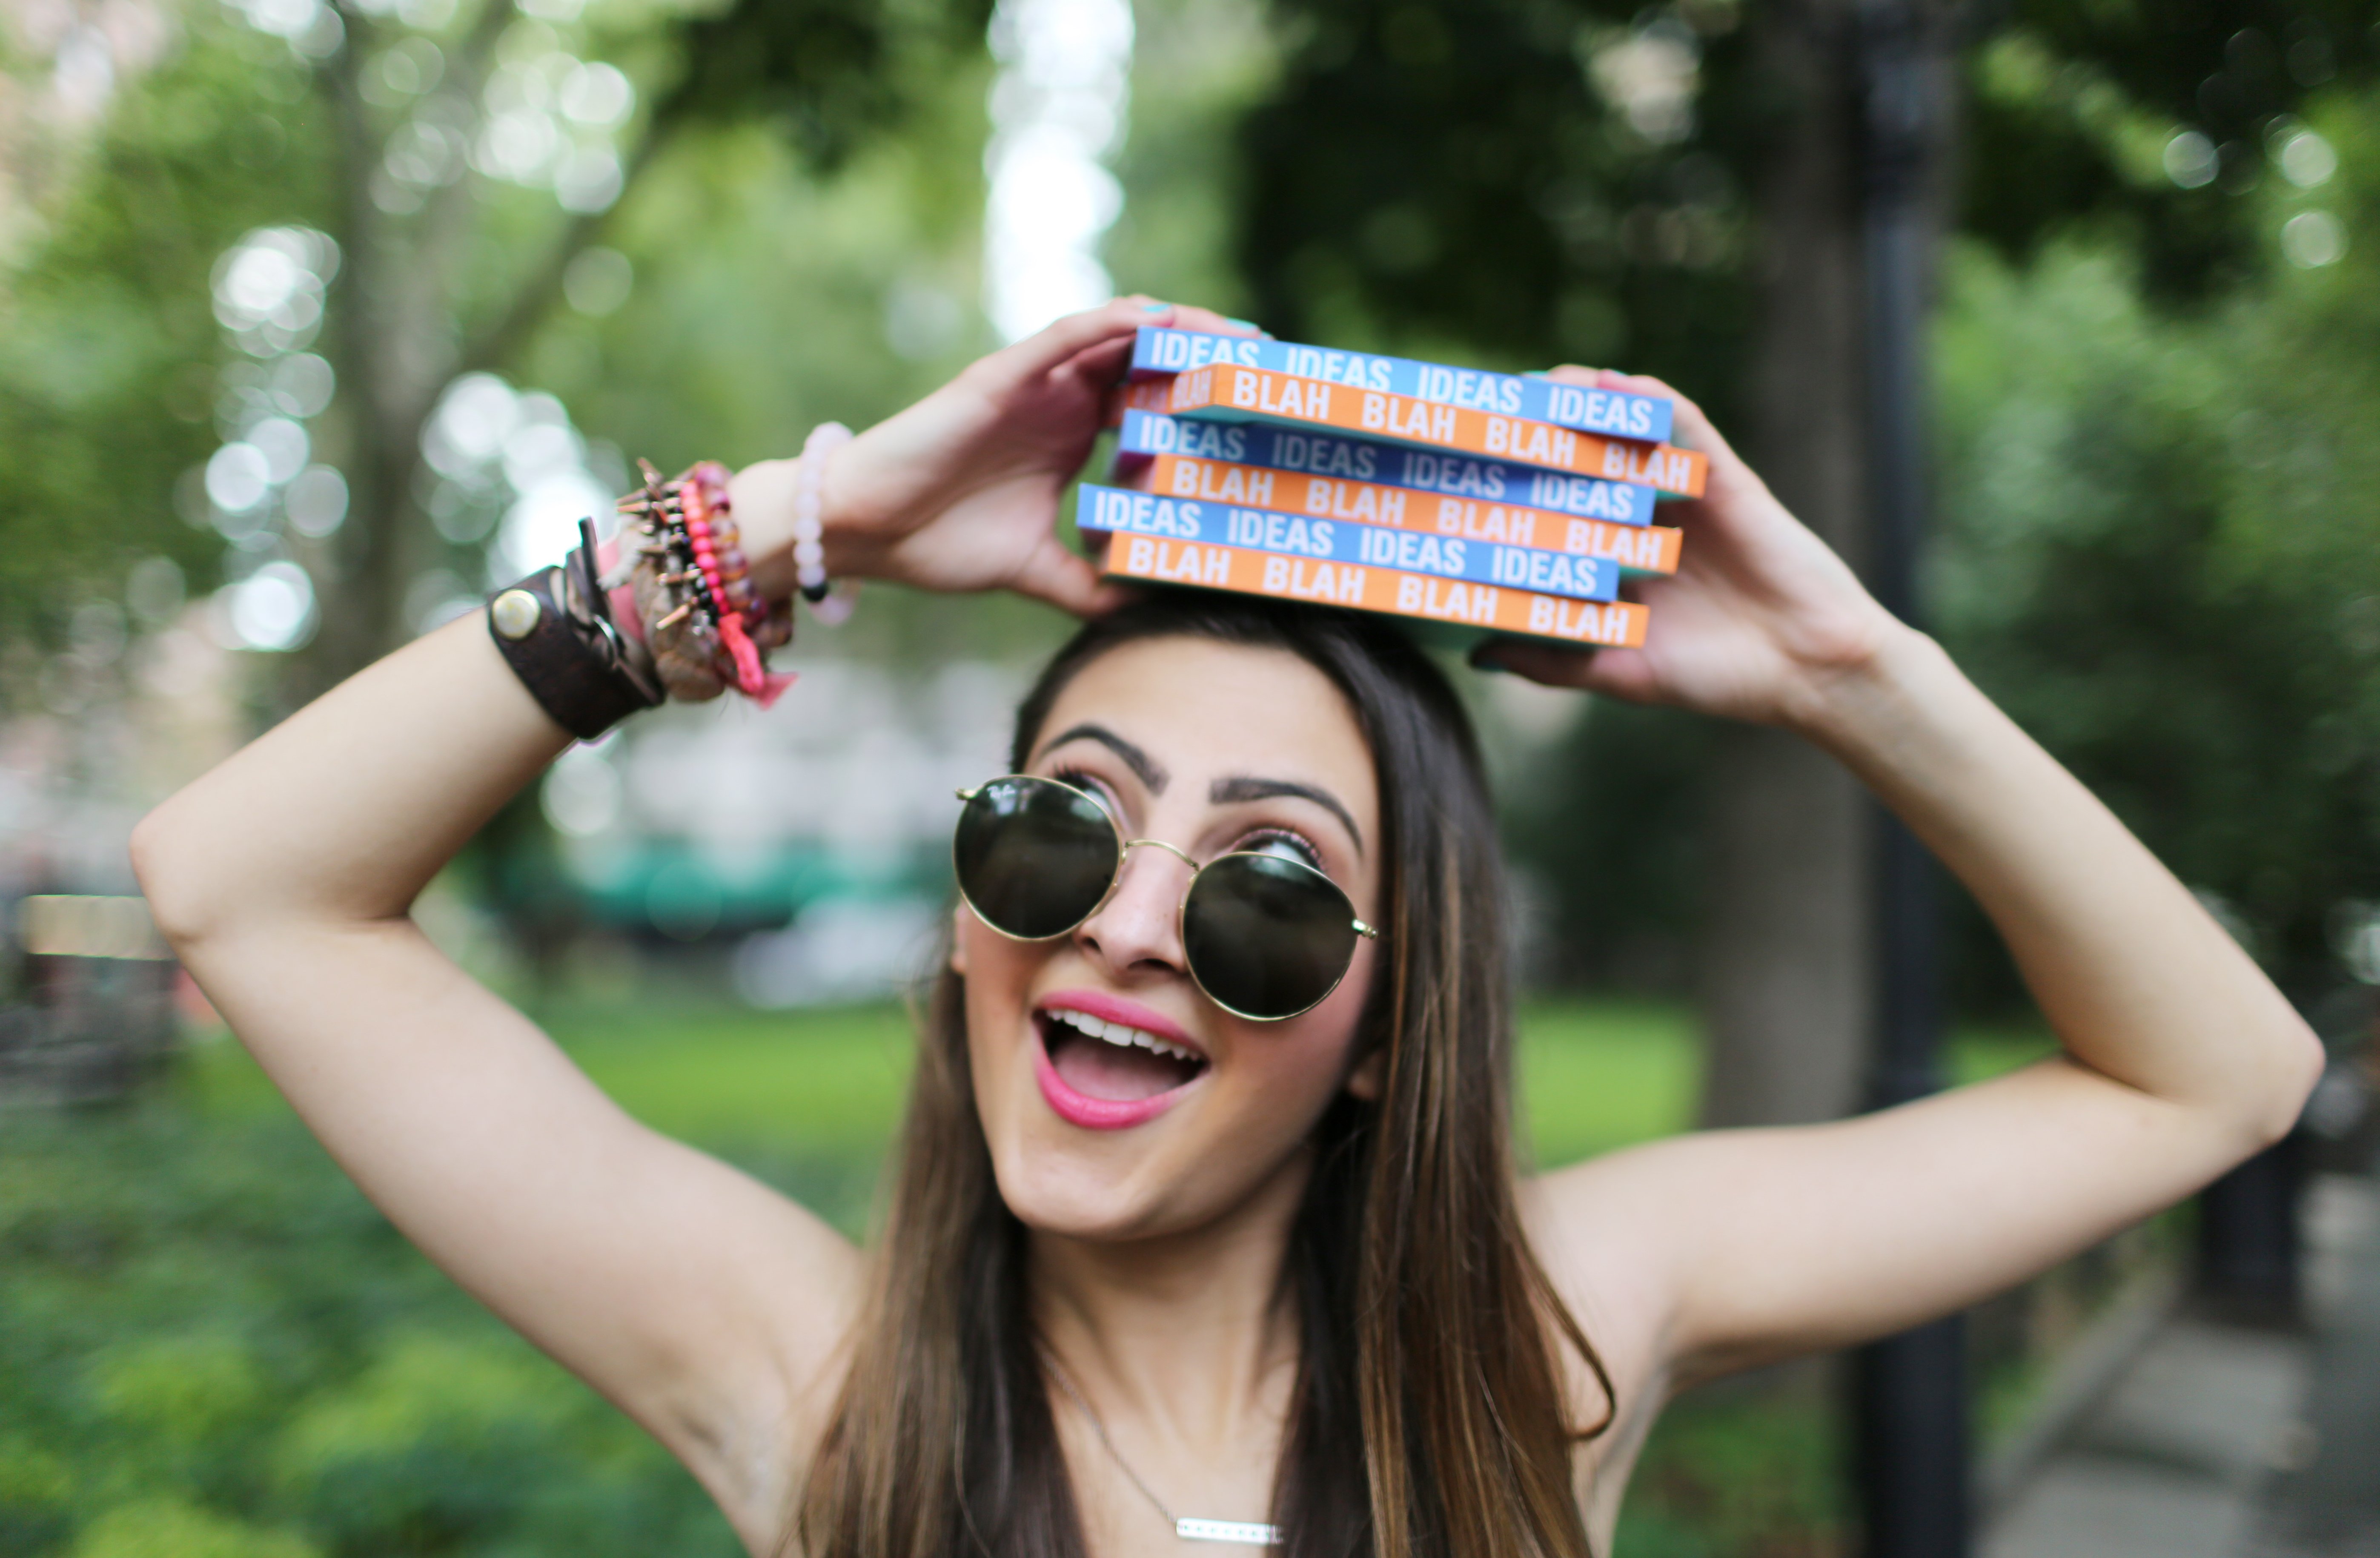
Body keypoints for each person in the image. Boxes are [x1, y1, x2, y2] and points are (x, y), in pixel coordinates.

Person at [132, 298, 2323, 1558]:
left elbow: (2218, 1076)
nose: (1133, 935)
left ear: (1388, 1024)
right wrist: (814, 523)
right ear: (978, 912)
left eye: (1272, 888)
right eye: (1061, 837)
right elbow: (242, 883)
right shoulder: (819, 1388)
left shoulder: (1544, 1352)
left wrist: (1855, 676)